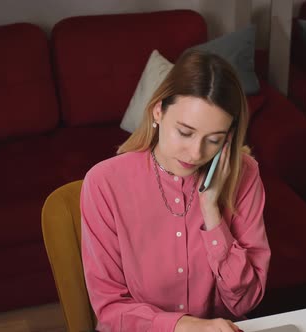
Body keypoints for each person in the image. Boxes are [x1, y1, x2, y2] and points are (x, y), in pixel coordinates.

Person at [80, 49, 271, 332]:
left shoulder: (245, 174)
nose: (195, 153)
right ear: (158, 110)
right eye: (185, 132)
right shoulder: (104, 183)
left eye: (214, 140)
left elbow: (246, 301)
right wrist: (183, 326)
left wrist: (212, 211)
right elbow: (110, 309)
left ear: (229, 137)